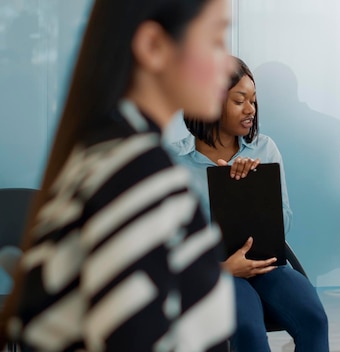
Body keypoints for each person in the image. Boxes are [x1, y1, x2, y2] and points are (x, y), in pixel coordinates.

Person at [0, 0, 235, 350]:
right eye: (217, 39)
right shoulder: (137, 173)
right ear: (153, 46)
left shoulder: (103, 154)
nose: (228, 62)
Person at [167, 57, 329, 352]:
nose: (251, 110)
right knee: (247, 327)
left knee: (314, 318)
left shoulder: (265, 149)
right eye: (239, 101)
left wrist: (252, 188)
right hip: (213, 271)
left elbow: (285, 223)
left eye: (253, 100)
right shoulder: (173, 161)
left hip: (267, 267)